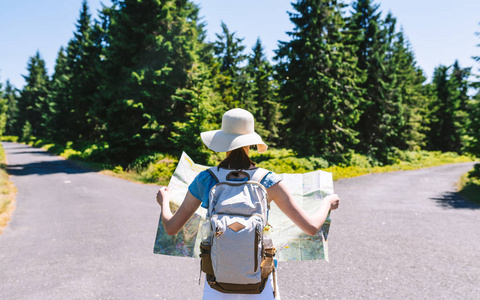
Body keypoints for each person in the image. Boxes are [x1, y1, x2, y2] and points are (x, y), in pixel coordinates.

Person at [156, 108, 340, 299]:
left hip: (217, 283)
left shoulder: (206, 179)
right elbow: (311, 228)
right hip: (259, 281)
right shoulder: (268, 180)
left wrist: (164, 201)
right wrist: (327, 203)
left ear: (222, 141)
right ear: (251, 143)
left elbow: (171, 228)